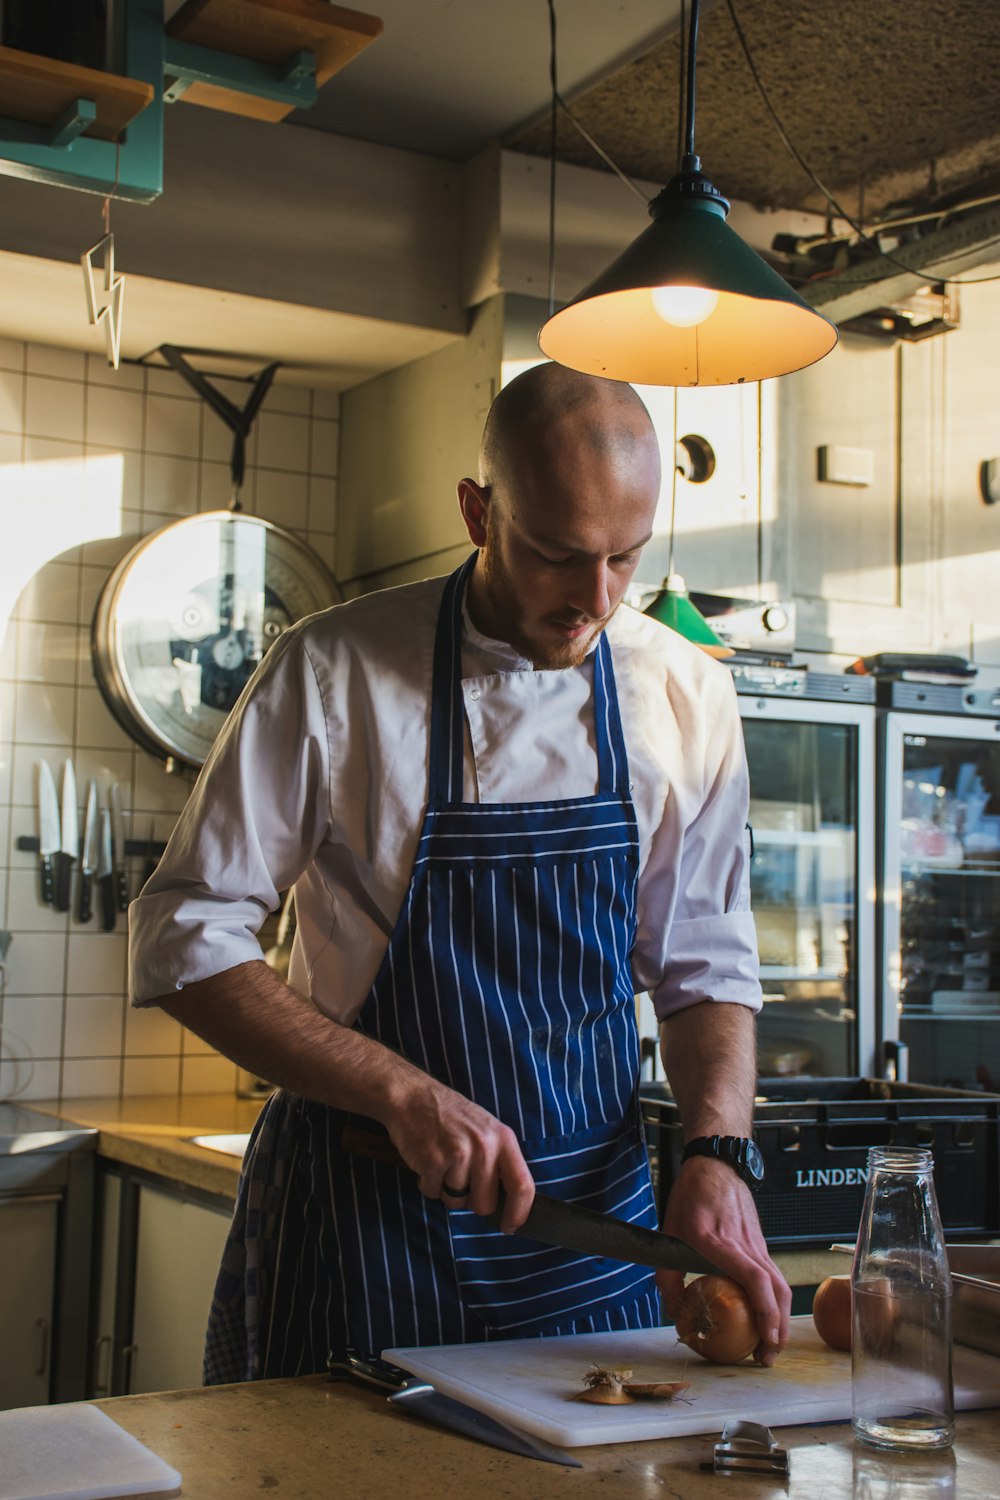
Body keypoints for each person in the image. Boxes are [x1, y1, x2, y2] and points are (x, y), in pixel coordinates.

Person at [129, 362, 790, 1384]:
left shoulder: (683, 689)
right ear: (478, 513)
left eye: (624, 559)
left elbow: (704, 968)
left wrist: (716, 1152)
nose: (592, 601)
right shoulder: (332, 670)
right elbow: (183, 940)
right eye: (558, 556)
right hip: (368, 1217)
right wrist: (398, 1090)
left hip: (589, 1235)